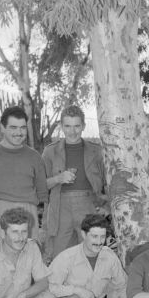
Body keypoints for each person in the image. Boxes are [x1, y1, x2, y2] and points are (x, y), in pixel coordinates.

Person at [0, 106, 48, 260]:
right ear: (2, 128)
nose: (19, 132)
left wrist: (30, 209)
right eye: (13, 127)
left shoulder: (34, 157)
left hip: (26, 212)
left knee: (26, 261)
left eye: (23, 128)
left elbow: (42, 190)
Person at [42, 105, 106, 260]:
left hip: (88, 205)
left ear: (83, 126)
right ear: (61, 127)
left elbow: (107, 183)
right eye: (68, 126)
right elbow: (40, 185)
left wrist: (106, 205)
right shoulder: (50, 152)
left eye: (77, 126)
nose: (73, 131)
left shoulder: (97, 151)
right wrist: (58, 178)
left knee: (90, 253)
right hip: (60, 207)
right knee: (60, 256)